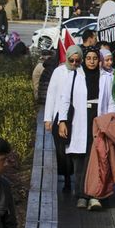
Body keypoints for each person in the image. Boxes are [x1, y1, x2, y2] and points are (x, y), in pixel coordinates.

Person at [58, 46, 115, 211]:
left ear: (99, 60)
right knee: (80, 160)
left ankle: (95, 195)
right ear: (84, 59)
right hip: (80, 121)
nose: (92, 61)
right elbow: (65, 99)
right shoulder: (75, 75)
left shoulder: (107, 77)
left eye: (95, 58)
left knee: (98, 158)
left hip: (99, 119)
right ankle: (82, 194)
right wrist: (62, 121)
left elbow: (112, 100)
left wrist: (109, 118)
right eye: (89, 58)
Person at [44, 47, 81, 192]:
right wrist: (48, 118)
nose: (74, 63)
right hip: (59, 115)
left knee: (73, 151)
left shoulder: (81, 73)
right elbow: (51, 94)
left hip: (76, 116)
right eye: (71, 60)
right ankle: (66, 179)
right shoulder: (58, 72)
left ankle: (74, 178)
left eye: (77, 61)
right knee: (61, 151)